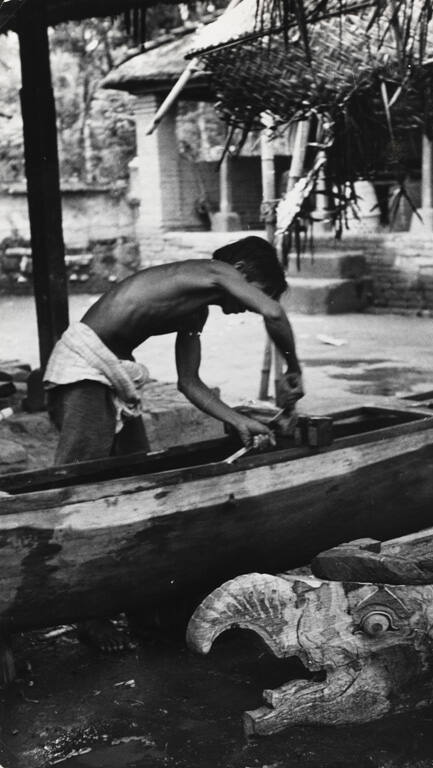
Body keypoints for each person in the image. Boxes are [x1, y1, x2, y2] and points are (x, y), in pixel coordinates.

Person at [43, 235, 304, 652]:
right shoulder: (214, 270)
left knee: (140, 487)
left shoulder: (196, 310)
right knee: (76, 496)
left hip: (111, 376)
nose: (250, 305)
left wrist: (238, 421)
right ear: (244, 273)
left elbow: (190, 383)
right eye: (257, 291)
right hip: (84, 370)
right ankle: (83, 615)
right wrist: (293, 368)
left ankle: (138, 605)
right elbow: (272, 311)